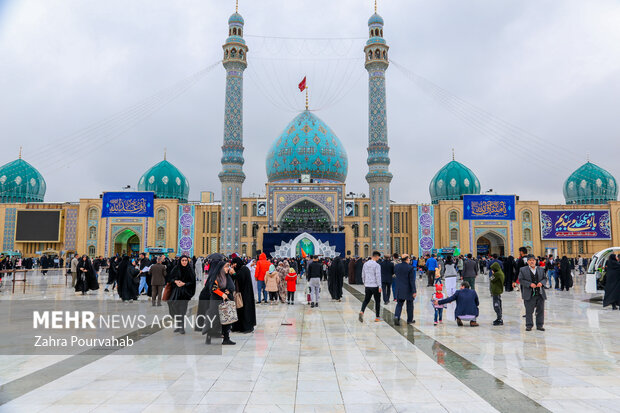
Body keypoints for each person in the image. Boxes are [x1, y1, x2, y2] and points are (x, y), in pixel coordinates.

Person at [202, 261, 236, 345]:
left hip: (225, 301)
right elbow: (213, 288)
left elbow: (231, 286)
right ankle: (209, 336)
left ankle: (226, 338)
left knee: (226, 319)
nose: (227, 268)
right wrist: (222, 293)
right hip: (216, 301)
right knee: (215, 320)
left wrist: (229, 290)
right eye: (226, 267)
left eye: (228, 267)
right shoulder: (215, 276)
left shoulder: (227, 276)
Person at [166, 255, 196, 334]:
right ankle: (179, 325)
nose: (184, 262)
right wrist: (175, 281)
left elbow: (192, 282)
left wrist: (184, 284)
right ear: (180, 261)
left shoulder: (190, 270)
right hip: (176, 292)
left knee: (182, 310)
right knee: (173, 307)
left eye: (185, 260)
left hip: (185, 293)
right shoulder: (176, 268)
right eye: (182, 260)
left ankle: (181, 327)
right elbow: (170, 278)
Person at [518, 254, 547, 331]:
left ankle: (540, 325)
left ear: (535, 261)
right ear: (527, 262)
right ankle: (529, 325)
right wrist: (529, 284)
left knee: (540, 310)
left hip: (540, 293)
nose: (532, 262)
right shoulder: (523, 270)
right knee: (529, 311)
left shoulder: (541, 269)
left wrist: (541, 283)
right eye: (530, 260)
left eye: (533, 260)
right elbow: (521, 280)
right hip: (529, 294)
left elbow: (545, 278)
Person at [231, 256, 257, 333]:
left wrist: (234, 274)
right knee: (239, 310)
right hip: (239, 294)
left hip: (246, 294)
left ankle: (247, 327)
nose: (233, 265)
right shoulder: (239, 269)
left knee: (246, 310)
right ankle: (238, 327)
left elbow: (241, 279)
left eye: (234, 264)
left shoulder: (244, 269)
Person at [359, 251, 382, 323]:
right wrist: (380, 286)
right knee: (377, 301)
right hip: (375, 285)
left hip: (368, 285)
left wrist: (364, 282)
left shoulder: (365, 264)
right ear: (377, 256)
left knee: (366, 300)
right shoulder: (377, 265)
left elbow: (363, 274)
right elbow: (378, 276)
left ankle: (362, 311)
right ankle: (377, 317)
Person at [393, 255, 416, 325]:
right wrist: (414, 291)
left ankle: (396, 316)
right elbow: (412, 280)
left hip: (399, 288)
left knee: (399, 304)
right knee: (409, 305)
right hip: (408, 289)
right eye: (409, 258)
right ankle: (409, 320)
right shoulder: (410, 268)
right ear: (406, 259)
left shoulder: (396, 266)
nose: (409, 259)